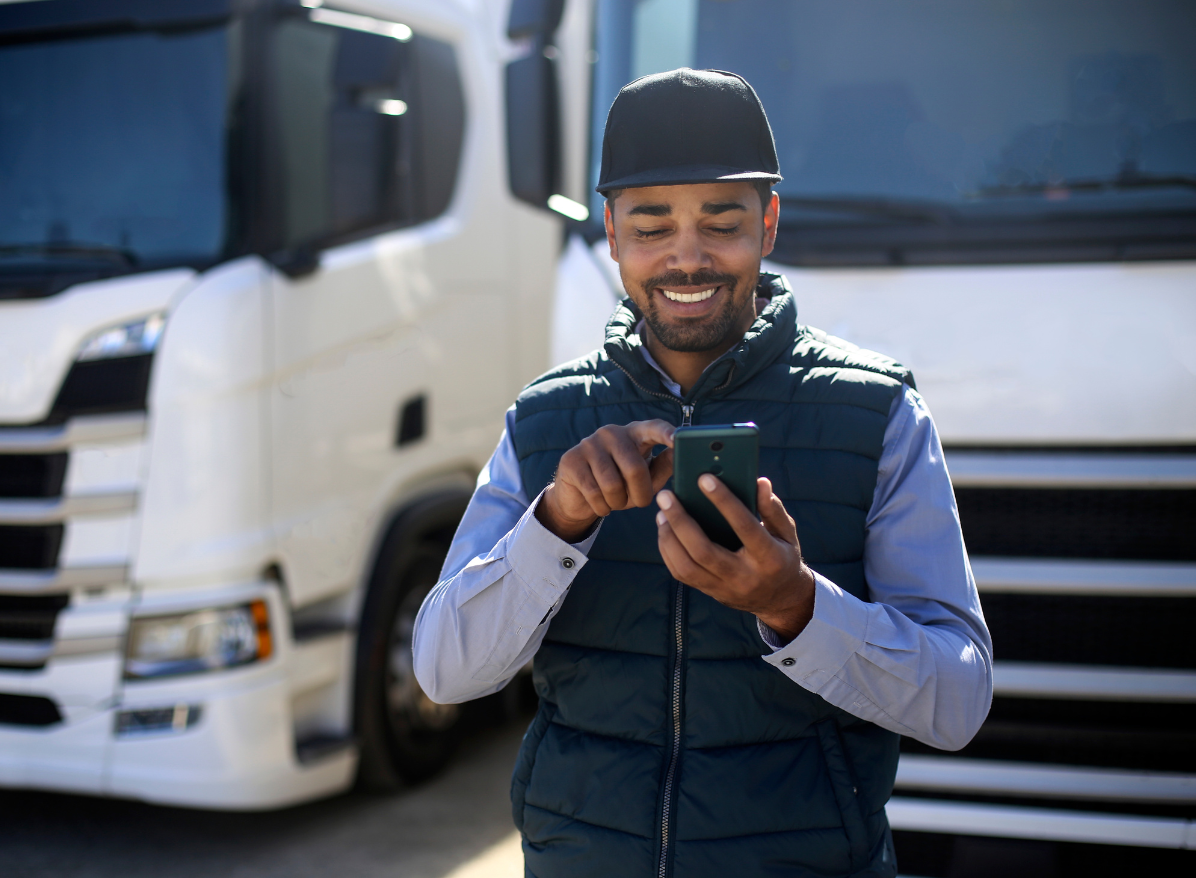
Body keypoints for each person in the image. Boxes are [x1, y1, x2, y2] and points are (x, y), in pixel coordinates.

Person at [413, 68, 992, 878]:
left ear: (770, 222)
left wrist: (794, 605)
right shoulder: (545, 417)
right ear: (611, 233)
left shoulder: (879, 413)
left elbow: (958, 702)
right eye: (652, 227)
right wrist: (558, 522)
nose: (688, 259)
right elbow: (445, 670)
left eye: (721, 222)